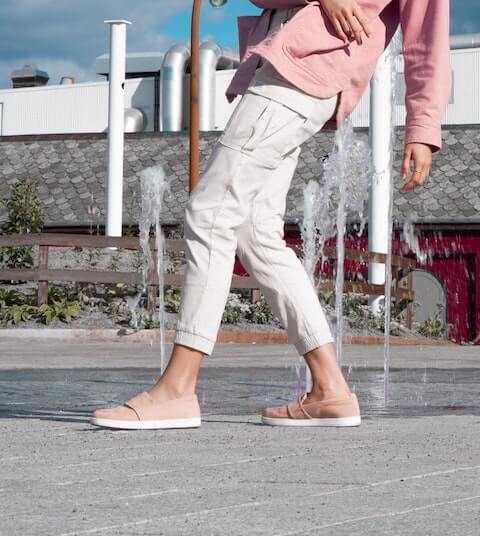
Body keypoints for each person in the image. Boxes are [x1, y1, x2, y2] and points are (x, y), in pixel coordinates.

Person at [91, 0, 451, 429]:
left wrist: (423, 128)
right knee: (255, 231)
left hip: (307, 72)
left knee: (211, 212)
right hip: (283, 65)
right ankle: (330, 388)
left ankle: (178, 389)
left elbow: (427, 34)